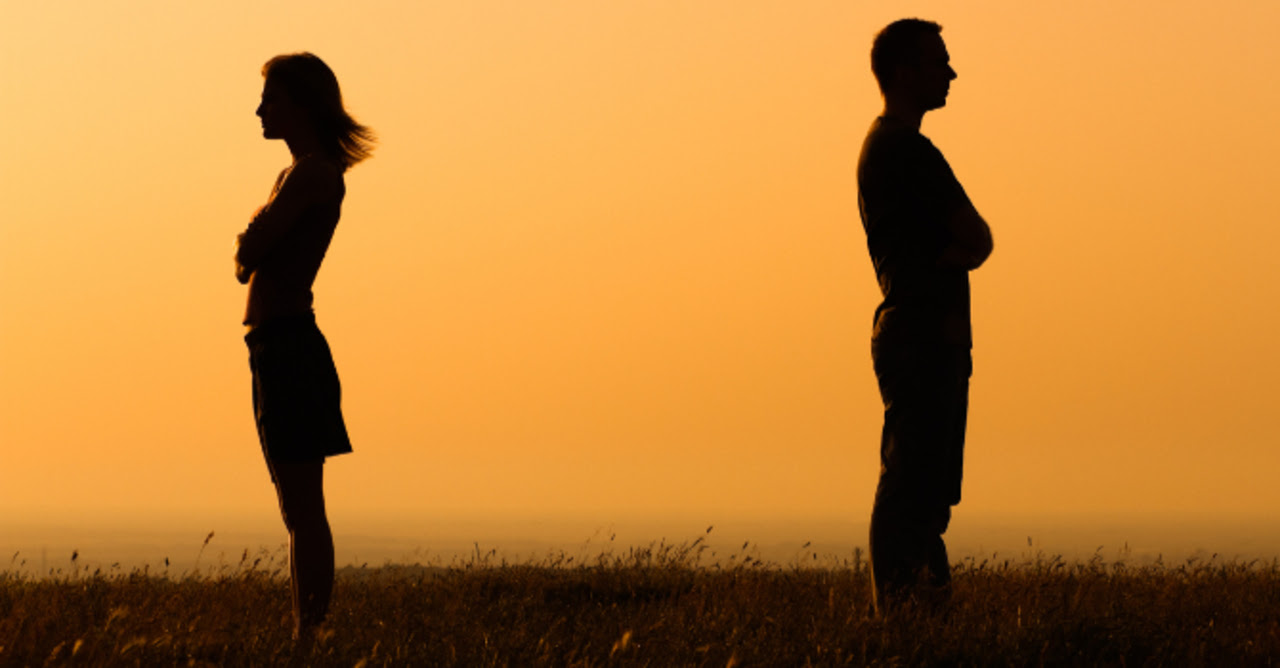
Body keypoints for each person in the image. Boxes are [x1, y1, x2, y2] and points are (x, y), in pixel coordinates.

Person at [235, 52, 374, 640]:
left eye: (272, 98)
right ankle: (304, 633)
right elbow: (252, 252)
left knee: (303, 509)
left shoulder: (311, 174)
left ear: (302, 103)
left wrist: (250, 238)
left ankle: (307, 635)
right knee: (296, 508)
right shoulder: (297, 173)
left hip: (290, 347)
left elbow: (251, 250)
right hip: (276, 346)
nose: (261, 109)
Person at [856, 19, 993, 614]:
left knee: (924, 487)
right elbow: (978, 234)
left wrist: (962, 251)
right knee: (914, 486)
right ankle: (905, 614)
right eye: (940, 61)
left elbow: (975, 240)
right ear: (907, 72)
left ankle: (920, 611)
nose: (952, 72)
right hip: (921, 338)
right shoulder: (906, 151)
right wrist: (960, 253)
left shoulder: (887, 147)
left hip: (921, 335)